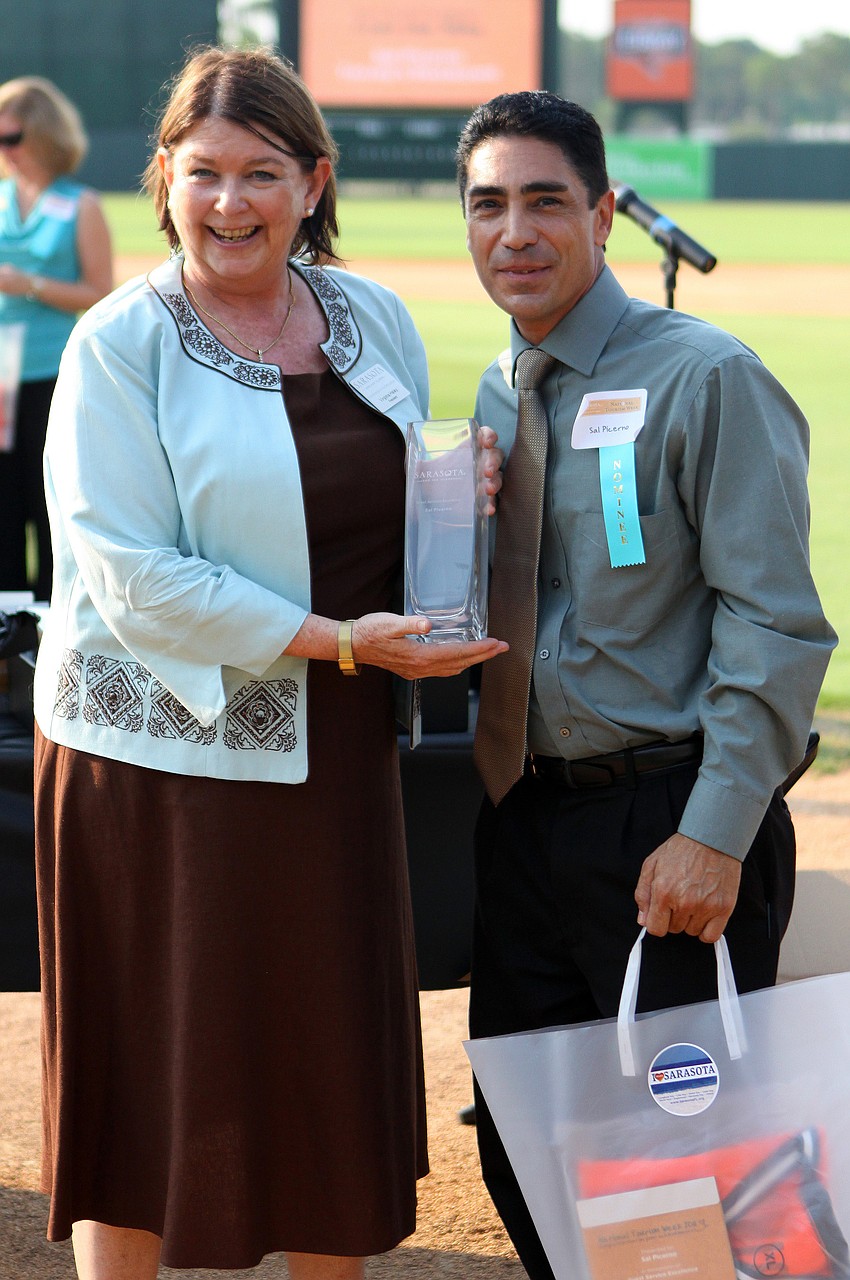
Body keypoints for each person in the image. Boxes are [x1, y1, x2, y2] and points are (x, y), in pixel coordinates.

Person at [32, 46, 506, 1280]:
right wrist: (338, 642)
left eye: (259, 174)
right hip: (155, 765)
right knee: (151, 1070)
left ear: (313, 181)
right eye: (203, 175)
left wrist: (456, 499)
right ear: (165, 181)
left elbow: (391, 498)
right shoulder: (116, 344)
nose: (229, 203)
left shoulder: (371, 314)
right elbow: (130, 576)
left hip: (331, 755)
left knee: (319, 1068)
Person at [457, 91, 837, 1280]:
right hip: (523, 819)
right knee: (527, 1151)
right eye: (487, 204)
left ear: (604, 212)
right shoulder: (491, 392)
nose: (512, 231)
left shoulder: (706, 376)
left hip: (665, 825)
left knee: (692, 1176)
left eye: (543, 201)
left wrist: (712, 835)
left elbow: (776, 622)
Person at [0, 76, 112, 599]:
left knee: (49, 501)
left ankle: (53, 618)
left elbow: (99, 290)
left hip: (50, 373)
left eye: (12, 138)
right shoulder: (0, 198)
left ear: (43, 136)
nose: (6, 151)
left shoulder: (80, 204)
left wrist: (31, 285)